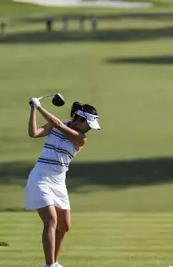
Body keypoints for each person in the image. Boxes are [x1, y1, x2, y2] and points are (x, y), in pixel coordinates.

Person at [26, 98, 101, 267]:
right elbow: (34, 133)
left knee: (64, 226)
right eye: (87, 124)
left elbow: (59, 125)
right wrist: (33, 110)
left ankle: (54, 262)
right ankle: (50, 265)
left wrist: (40, 107)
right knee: (51, 220)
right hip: (40, 177)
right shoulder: (55, 125)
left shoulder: (81, 138)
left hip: (59, 182)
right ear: (79, 119)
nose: (88, 128)